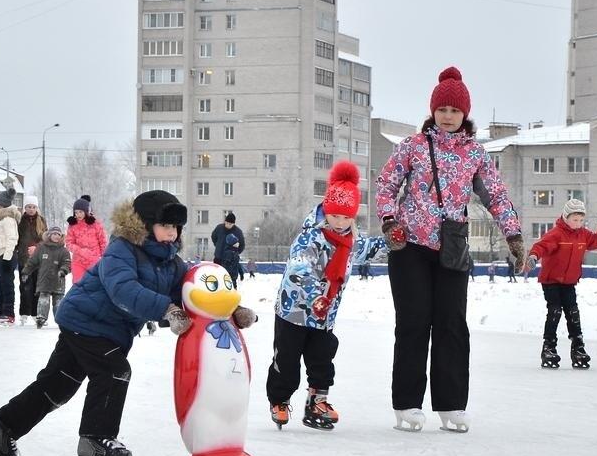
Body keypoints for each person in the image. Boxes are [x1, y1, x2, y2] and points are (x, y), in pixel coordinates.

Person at [0, 190, 241, 456]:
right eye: (166, 225)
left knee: (57, 386)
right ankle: (96, 441)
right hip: (86, 323)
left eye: (175, 227)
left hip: (105, 332)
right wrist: (166, 308)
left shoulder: (171, 264)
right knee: (114, 371)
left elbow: (191, 292)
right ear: (146, 225)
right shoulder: (122, 249)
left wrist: (228, 309)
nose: (172, 233)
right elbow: (123, 290)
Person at [375, 66, 525, 433]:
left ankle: (451, 405)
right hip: (409, 246)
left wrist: (514, 236)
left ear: (464, 114)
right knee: (413, 323)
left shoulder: (475, 153)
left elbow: (496, 195)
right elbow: (385, 185)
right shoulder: (412, 147)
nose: (447, 116)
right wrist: (391, 221)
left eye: (454, 111)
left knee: (452, 325)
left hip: (452, 249)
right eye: (442, 110)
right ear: (433, 111)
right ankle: (407, 404)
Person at [267, 161, 386, 431]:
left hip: (323, 316)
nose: (340, 222)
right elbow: (299, 268)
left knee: (322, 359)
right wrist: (314, 295)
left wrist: (391, 242)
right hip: (294, 311)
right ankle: (280, 400)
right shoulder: (310, 238)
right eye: (335, 216)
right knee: (286, 360)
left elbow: (366, 249)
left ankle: (317, 400)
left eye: (346, 218)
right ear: (326, 211)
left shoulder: (349, 241)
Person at [526, 199, 597, 369]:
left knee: (573, 312)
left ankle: (578, 347)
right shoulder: (556, 234)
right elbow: (541, 246)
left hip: (569, 282)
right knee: (555, 310)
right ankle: (549, 347)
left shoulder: (584, 234)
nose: (577, 224)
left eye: (580, 220)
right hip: (551, 281)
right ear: (566, 217)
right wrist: (534, 256)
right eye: (574, 220)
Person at [20, 225, 71, 328]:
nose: (56, 236)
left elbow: (67, 263)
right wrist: (26, 272)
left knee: (58, 302)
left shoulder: (63, 251)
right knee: (43, 300)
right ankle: (41, 318)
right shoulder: (41, 248)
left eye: (58, 234)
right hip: (44, 280)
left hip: (58, 281)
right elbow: (32, 262)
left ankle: (60, 319)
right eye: (54, 234)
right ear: (49, 235)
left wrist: (63, 270)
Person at [0, 188, 21, 326]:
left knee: (6, 285)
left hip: (5, 257)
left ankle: (8, 313)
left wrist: (7, 257)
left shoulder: (7, 219)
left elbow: (12, 239)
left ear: (3, 204)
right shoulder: (0, 219)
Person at [16, 195, 48, 326]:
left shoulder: (41, 221)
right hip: (24, 259)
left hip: (38, 260)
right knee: (24, 287)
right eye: (28, 207)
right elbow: (16, 238)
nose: (31, 209)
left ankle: (35, 313)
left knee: (36, 287)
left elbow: (46, 238)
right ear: (25, 208)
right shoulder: (20, 221)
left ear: (37, 208)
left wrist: (37, 247)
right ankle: (24, 313)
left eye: (33, 207)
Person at [65, 195, 107, 284]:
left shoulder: (96, 224)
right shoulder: (72, 225)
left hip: (94, 261)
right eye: (76, 212)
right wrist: (80, 251)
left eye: (80, 212)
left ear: (86, 211)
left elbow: (103, 241)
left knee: (93, 286)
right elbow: (68, 243)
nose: (78, 215)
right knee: (78, 286)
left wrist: (104, 257)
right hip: (78, 261)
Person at [211, 212, 245, 287]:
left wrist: (235, 253)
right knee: (217, 277)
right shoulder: (219, 228)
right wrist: (218, 246)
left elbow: (242, 245)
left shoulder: (238, 232)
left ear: (233, 224)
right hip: (218, 257)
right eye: (226, 223)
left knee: (229, 279)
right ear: (225, 222)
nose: (228, 225)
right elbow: (213, 237)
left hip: (230, 260)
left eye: (230, 224)